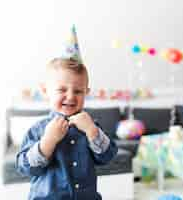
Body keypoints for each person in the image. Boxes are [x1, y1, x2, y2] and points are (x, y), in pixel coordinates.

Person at [16, 26, 118, 200]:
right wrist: (47, 142)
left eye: (78, 91)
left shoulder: (91, 127)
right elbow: (24, 167)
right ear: (45, 91)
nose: (70, 96)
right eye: (62, 89)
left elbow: (107, 157)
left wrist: (92, 131)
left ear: (86, 92)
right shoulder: (39, 130)